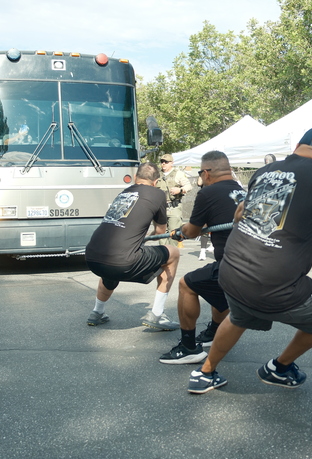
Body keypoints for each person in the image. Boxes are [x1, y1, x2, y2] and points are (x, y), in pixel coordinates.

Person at [186, 127, 312, 394]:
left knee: (240, 314)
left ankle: (204, 372)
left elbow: (242, 212)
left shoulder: (264, 171)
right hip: (272, 282)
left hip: (231, 272)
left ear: (297, 146)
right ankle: (279, 367)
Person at [159, 151, 246, 364]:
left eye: (200, 172)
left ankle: (189, 347)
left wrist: (180, 230)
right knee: (215, 286)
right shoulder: (243, 191)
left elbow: (191, 231)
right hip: (250, 261)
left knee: (187, 284)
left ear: (206, 173)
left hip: (233, 263)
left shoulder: (208, 193)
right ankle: (215, 331)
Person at [84, 162, 182, 330]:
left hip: (93, 257)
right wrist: (145, 239)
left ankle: (97, 312)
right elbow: (160, 230)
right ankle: (157, 315)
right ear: (155, 181)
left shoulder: (125, 191)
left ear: (136, 178)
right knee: (173, 253)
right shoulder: (157, 194)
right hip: (122, 262)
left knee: (114, 258)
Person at [156, 154, 192, 247]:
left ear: (171, 163)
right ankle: (163, 254)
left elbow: (189, 186)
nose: (163, 164)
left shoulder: (178, 173)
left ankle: (172, 253)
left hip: (173, 207)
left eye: (166, 162)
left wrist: (179, 190)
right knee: (161, 234)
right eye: (162, 162)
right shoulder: (157, 174)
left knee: (173, 232)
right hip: (161, 208)